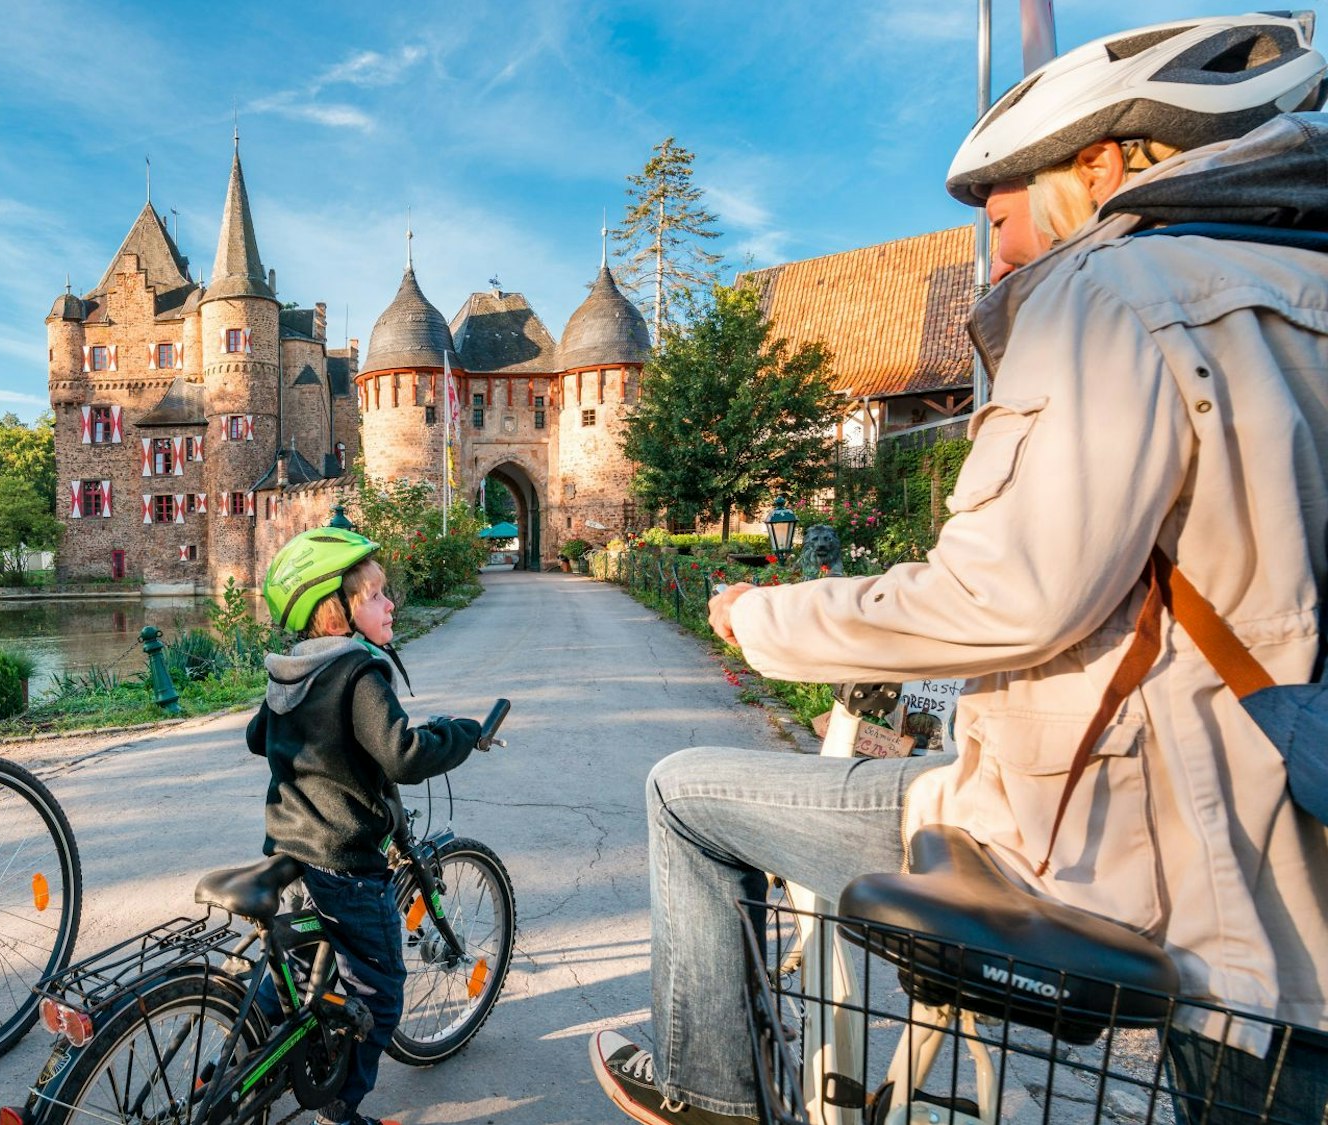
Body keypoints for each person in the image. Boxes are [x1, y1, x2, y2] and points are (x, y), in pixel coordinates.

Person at [588, 14, 1328, 1125]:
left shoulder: (1113, 297)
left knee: (684, 794)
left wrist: (759, 616)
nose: (999, 254)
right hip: (1285, 867)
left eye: (999, 218)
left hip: (1140, 851)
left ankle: (709, 1096)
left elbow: (1006, 593)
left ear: (1100, 168)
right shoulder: (1289, 300)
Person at [248, 526, 484, 1125]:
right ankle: (338, 1103)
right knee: (378, 991)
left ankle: (247, 1060)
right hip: (347, 862)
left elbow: (259, 737)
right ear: (337, 612)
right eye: (376, 594)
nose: (390, 603)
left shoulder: (291, 668)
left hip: (287, 852)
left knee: (293, 973)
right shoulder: (357, 672)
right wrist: (460, 734)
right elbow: (404, 756)